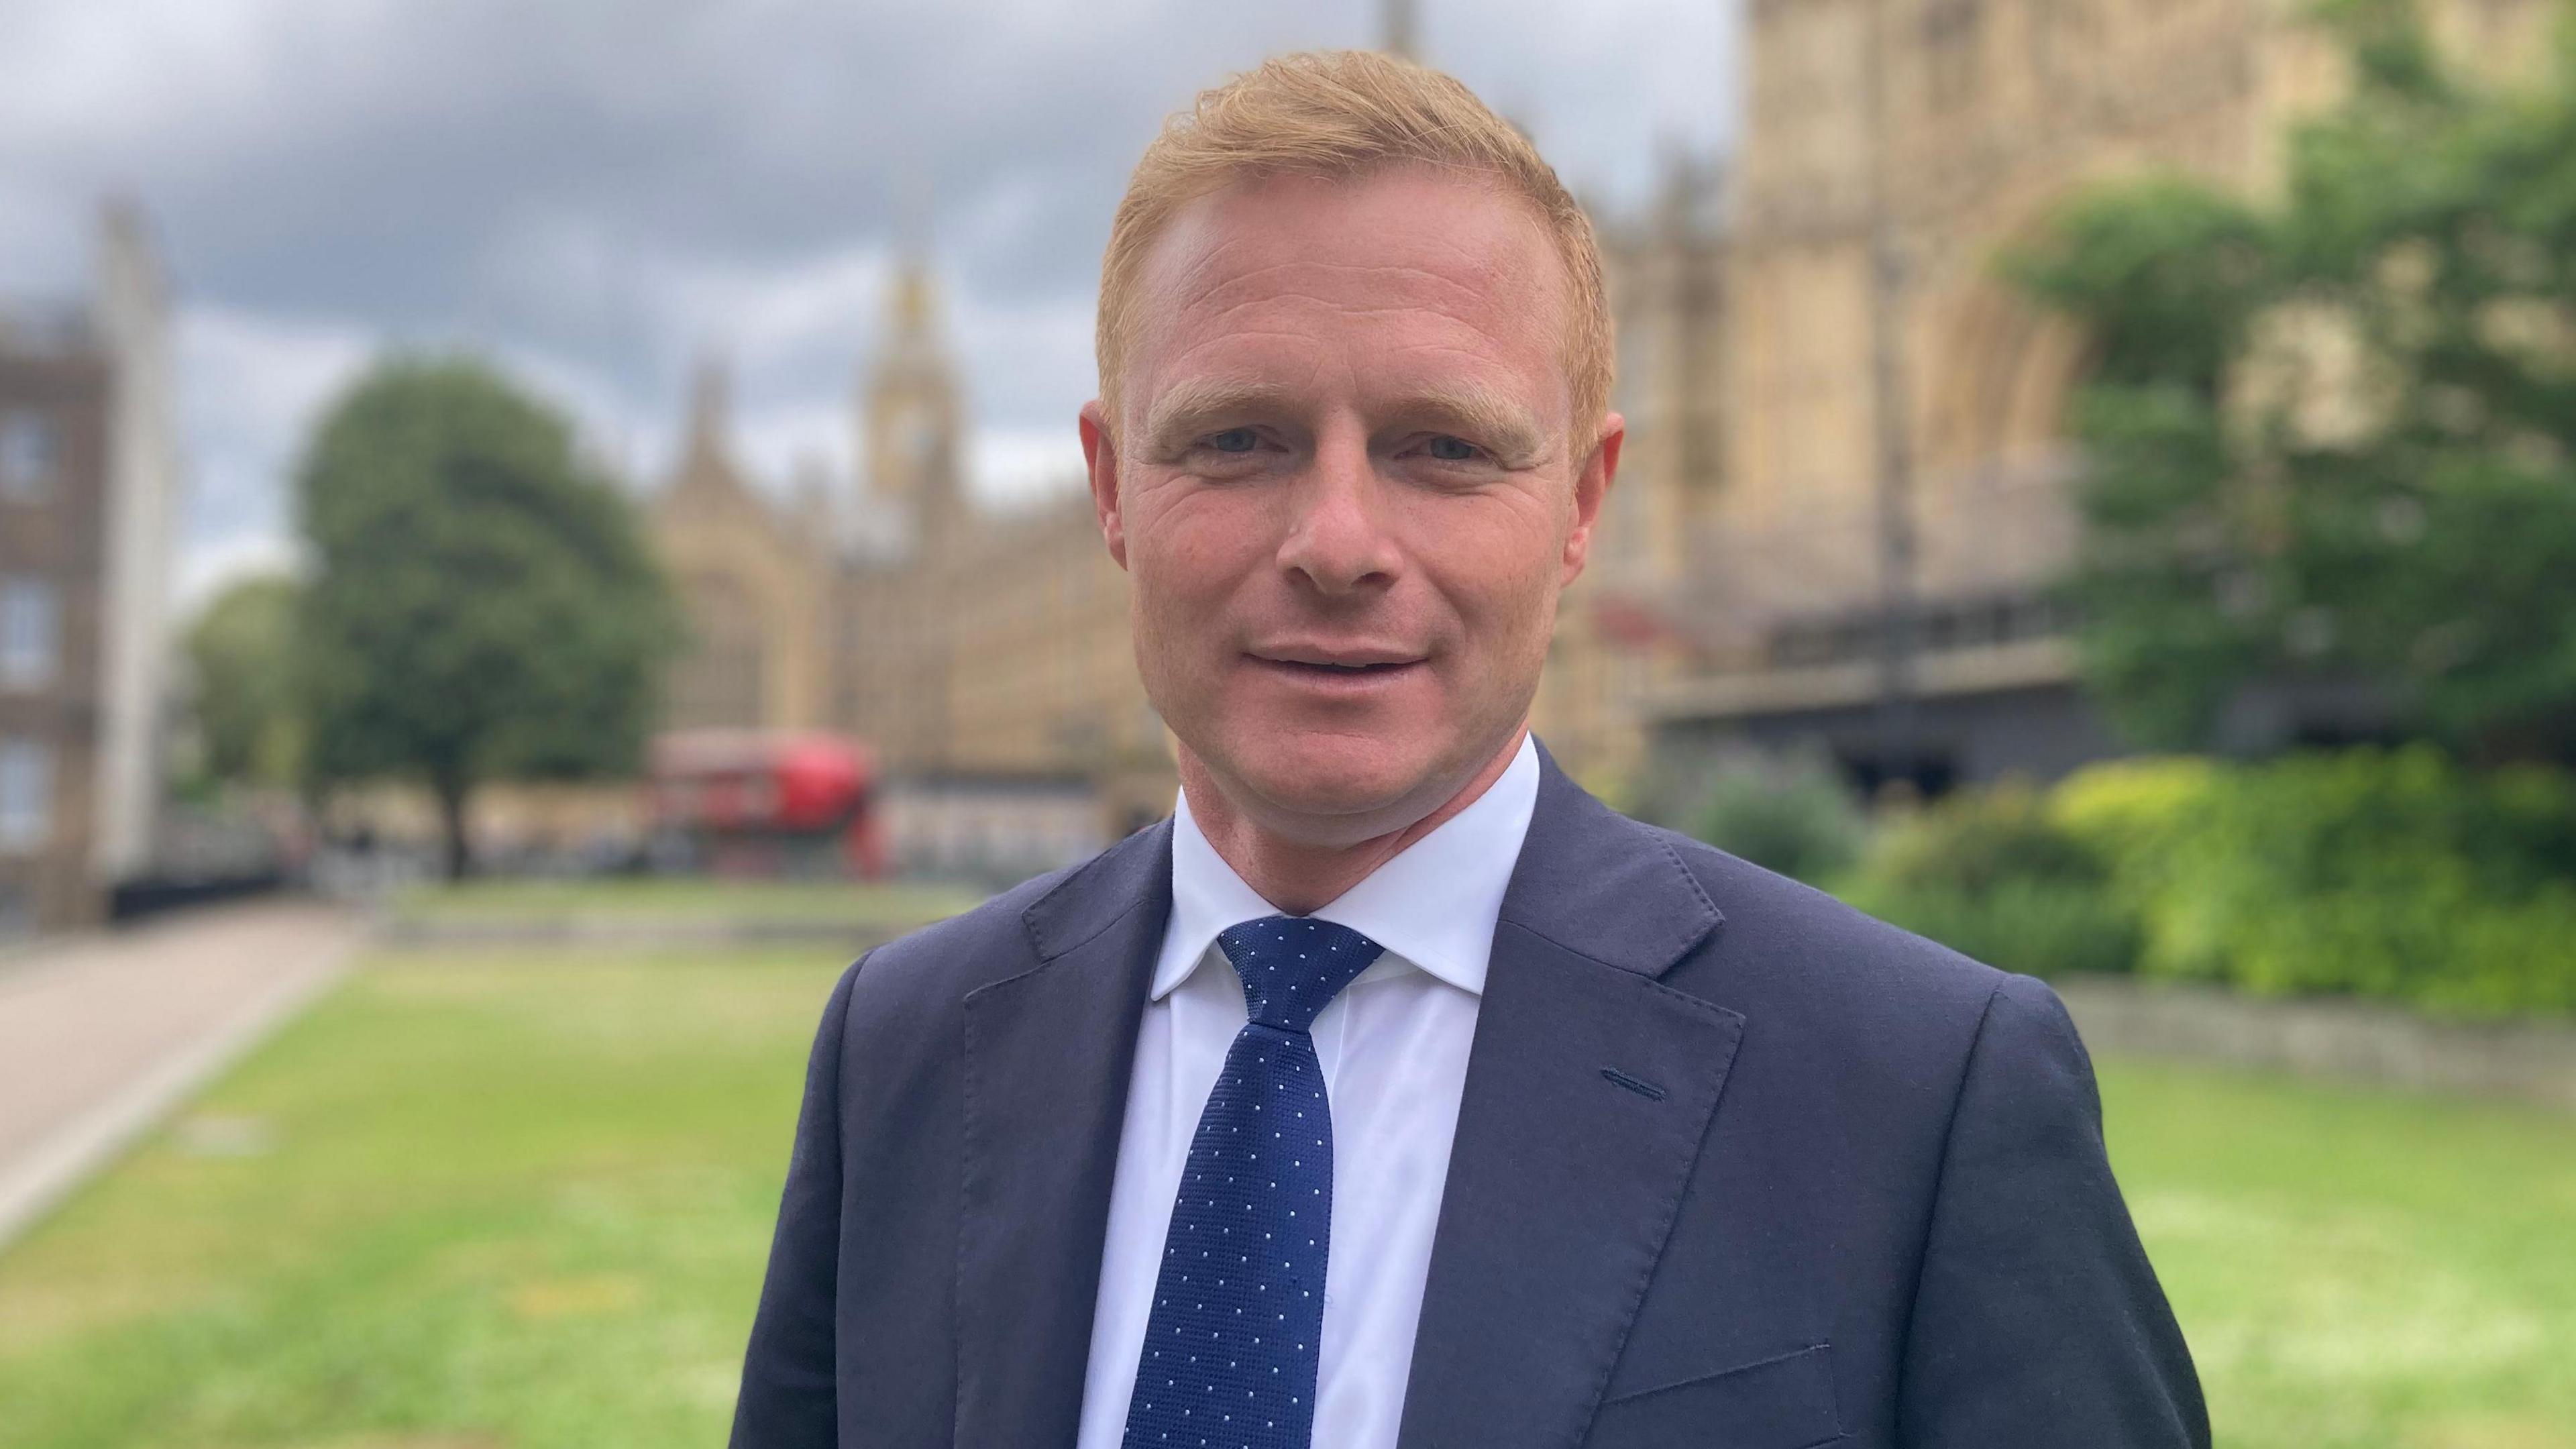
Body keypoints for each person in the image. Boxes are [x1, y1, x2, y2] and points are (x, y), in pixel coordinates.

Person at [729, 50, 2208, 1449]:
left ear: (1582, 502)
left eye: (1445, 446)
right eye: (1239, 440)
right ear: (1114, 488)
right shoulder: (906, 1050)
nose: (1339, 544)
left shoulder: (1920, 1089)